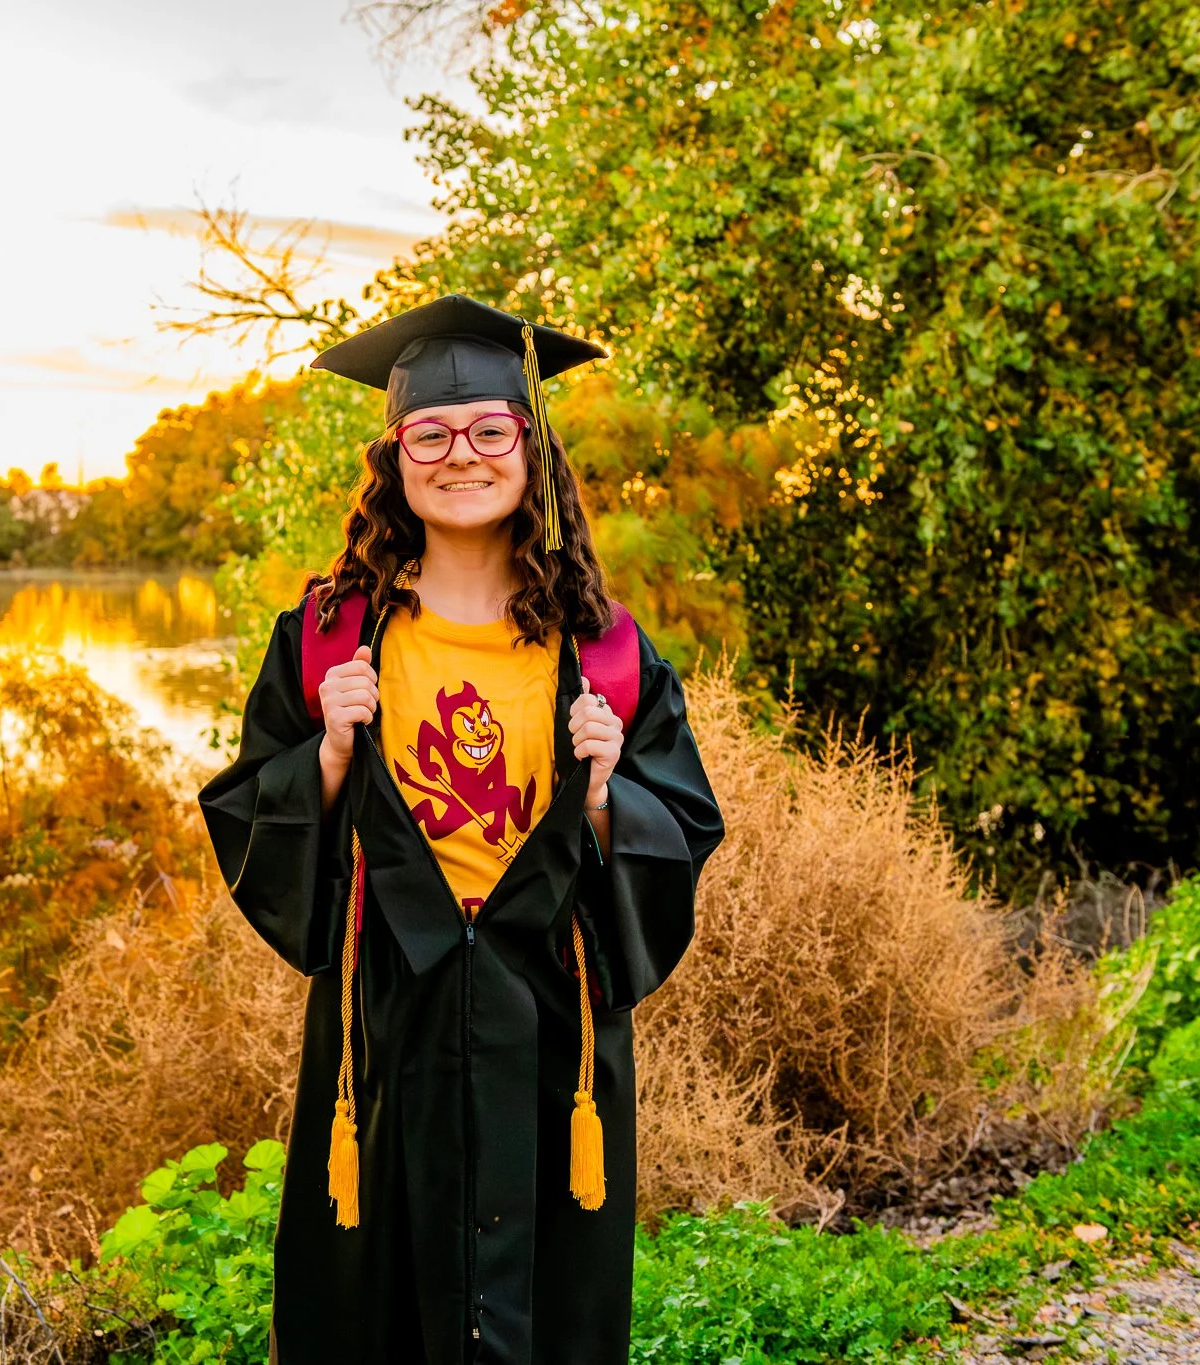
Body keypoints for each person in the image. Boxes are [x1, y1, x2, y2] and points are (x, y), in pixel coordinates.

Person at [198, 294, 725, 1364]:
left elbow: (682, 826)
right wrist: (328, 755)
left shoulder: (605, 650)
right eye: (428, 436)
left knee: (548, 1307)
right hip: (386, 1017)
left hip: (553, 1020)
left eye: (489, 429)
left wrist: (603, 795)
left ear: (530, 448)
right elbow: (247, 812)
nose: (461, 456)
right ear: (393, 459)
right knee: (376, 1309)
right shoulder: (329, 636)